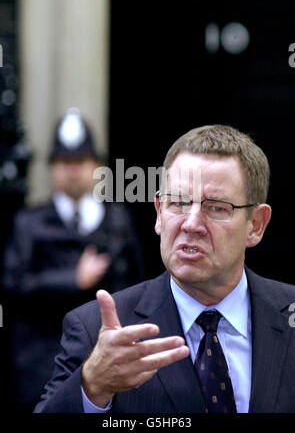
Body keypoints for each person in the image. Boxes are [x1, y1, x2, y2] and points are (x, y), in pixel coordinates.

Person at [34, 124, 295, 413]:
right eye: (178, 203)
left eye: (216, 208)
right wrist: (93, 388)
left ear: (256, 225)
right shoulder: (95, 329)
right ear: (159, 213)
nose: (191, 223)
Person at [1, 108, 145, 412]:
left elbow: (138, 288)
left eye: (81, 161)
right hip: (41, 363)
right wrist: (72, 279)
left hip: (106, 359)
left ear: (96, 165)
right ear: (52, 168)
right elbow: (13, 286)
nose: (73, 170)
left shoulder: (118, 220)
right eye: (64, 162)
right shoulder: (29, 223)